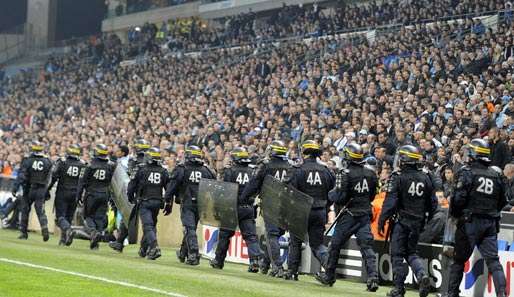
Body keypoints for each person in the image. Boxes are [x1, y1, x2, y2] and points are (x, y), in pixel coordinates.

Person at [445, 139, 508, 297]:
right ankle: (502, 293)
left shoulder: (467, 172)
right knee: (493, 261)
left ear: (474, 153)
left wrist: (456, 215)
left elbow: (458, 199)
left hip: (469, 222)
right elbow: (503, 201)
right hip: (490, 223)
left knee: (459, 260)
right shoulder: (496, 174)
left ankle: (452, 293)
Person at [315, 142, 379, 291]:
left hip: (349, 215)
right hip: (364, 215)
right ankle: (373, 278)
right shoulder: (370, 173)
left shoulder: (344, 173)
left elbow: (339, 197)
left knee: (335, 245)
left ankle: (329, 276)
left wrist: (330, 193)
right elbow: (372, 196)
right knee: (367, 247)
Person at [378, 145, 435, 297]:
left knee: (397, 254)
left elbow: (390, 202)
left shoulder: (398, 177)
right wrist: (424, 219)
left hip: (402, 221)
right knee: (411, 252)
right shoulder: (425, 177)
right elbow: (433, 204)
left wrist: (381, 220)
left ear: (404, 160)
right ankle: (422, 274)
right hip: (417, 222)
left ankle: (398, 288)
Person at [240, 140, 291, 277]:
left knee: (272, 235)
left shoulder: (266, 165)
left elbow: (254, 183)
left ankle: (278, 267)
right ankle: (265, 265)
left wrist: (244, 198)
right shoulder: (291, 165)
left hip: (271, 203)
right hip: (287, 205)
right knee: (276, 234)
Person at [286, 140, 335, 281]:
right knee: (317, 245)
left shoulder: (298, 169)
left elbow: (290, 192)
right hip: (319, 211)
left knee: (295, 242)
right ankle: (329, 269)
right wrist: (325, 206)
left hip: (301, 211)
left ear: (304, 152)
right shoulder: (327, 171)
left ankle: (292, 272)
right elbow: (333, 193)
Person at [210, 147, 262, 272]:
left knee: (224, 236)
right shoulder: (252, 171)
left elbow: (225, 190)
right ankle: (255, 260)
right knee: (251, 237)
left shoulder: (230, 171)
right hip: (248, 208)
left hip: (231, 208)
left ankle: (218, 261)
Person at [164, 145, 216, 265]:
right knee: (191, 228)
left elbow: (172, 187)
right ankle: (183, 253)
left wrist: (167, 200)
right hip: (202, 204)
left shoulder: (182, 169)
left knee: (189, 228)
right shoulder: (207, 170)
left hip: (187, 202)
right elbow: (214, 189)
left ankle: (193, 253)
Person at [127, 147, 170, 260]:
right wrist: (168, 202)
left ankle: (154, 247)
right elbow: (168, 189)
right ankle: (144, 249)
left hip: (144, 201)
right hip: (157, 202)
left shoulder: (140, 169)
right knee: (151, 226)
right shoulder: (163, 171)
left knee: (148, 226)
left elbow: (131, 186)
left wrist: (130, 198)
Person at [110, 139, 149, 253]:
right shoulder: (152, 160)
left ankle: (120, 243)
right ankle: (141, 246)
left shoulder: (134, 161)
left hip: (138, 195)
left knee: (130, 218)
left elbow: (131, 177)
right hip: (148, 194)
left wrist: (130, 194)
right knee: (148, 222)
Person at [77, 144, 116, 250]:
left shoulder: (90, 165)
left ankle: (94, 233)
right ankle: (95, 242)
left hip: (92, 194)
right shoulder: (111, 165)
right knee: (99, 218)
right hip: (104, 194)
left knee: (88, 216)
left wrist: (78, 196)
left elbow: (82, 182)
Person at [12, 141, 53, 241]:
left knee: (25, 210)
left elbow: (22, 176)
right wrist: (47, 190)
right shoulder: (47, 161)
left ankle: (23, 233)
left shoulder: (27, 160)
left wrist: (15, 187)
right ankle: (44, 227)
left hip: (29, 188)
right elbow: (49, 177)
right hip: (42, 189)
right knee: (40, 210)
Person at [47, 144, 87, 246]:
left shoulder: (63, 162)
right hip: (75, 194)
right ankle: (63, 239)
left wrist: (48, 189)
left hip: (62, 192)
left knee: (60, 217)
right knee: (68, 217)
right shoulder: (83, 164)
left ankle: (68, 231)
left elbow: (54, 176)